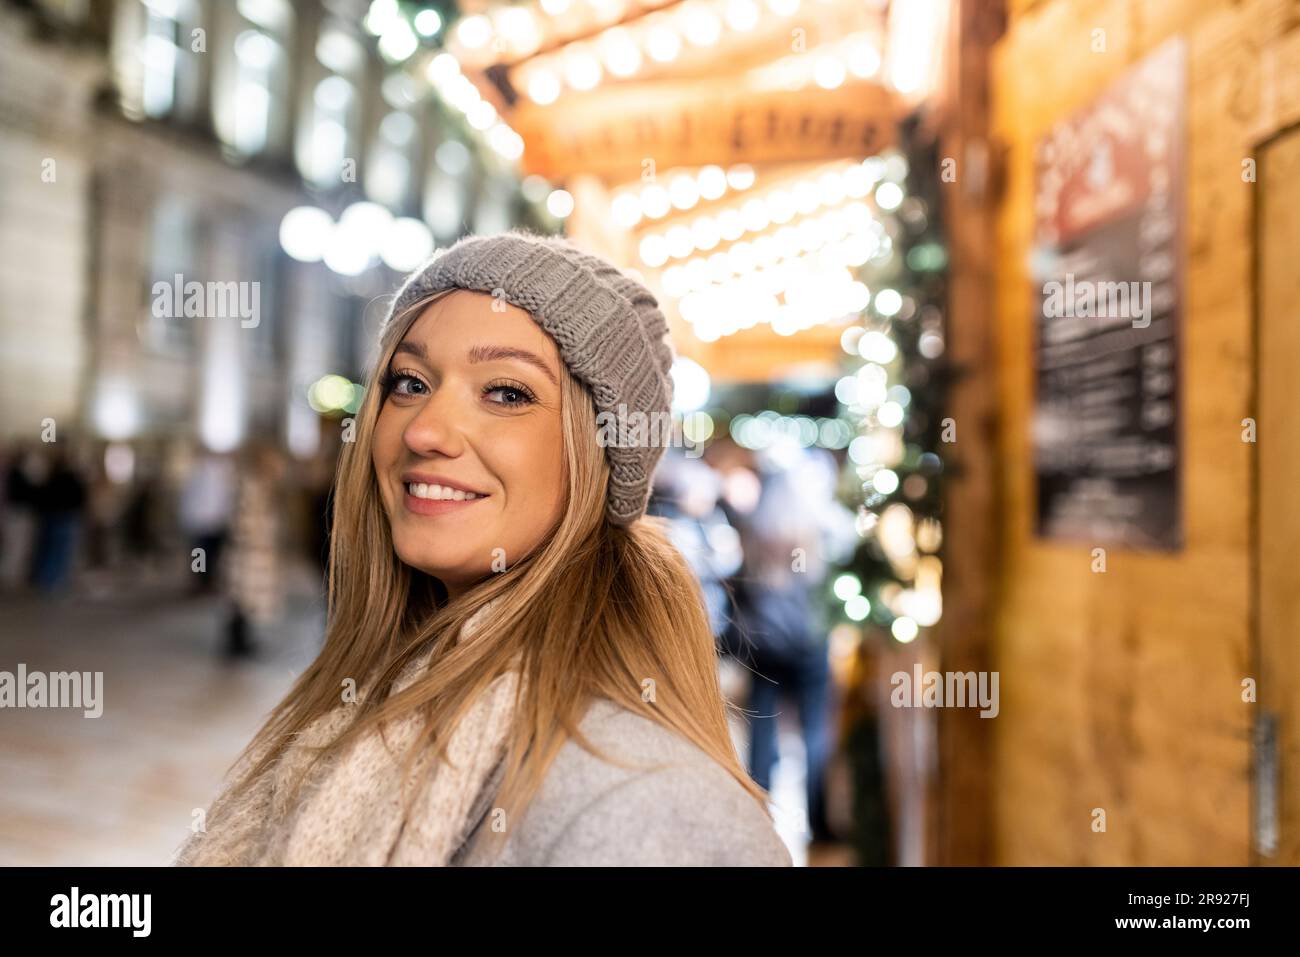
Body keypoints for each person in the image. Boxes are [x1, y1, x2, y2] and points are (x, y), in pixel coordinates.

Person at [174, 230, 792, 867]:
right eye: (409, 382)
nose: (424, 429)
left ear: (601, 455)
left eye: (506, 392)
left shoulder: (648, 807)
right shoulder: (362, 713)